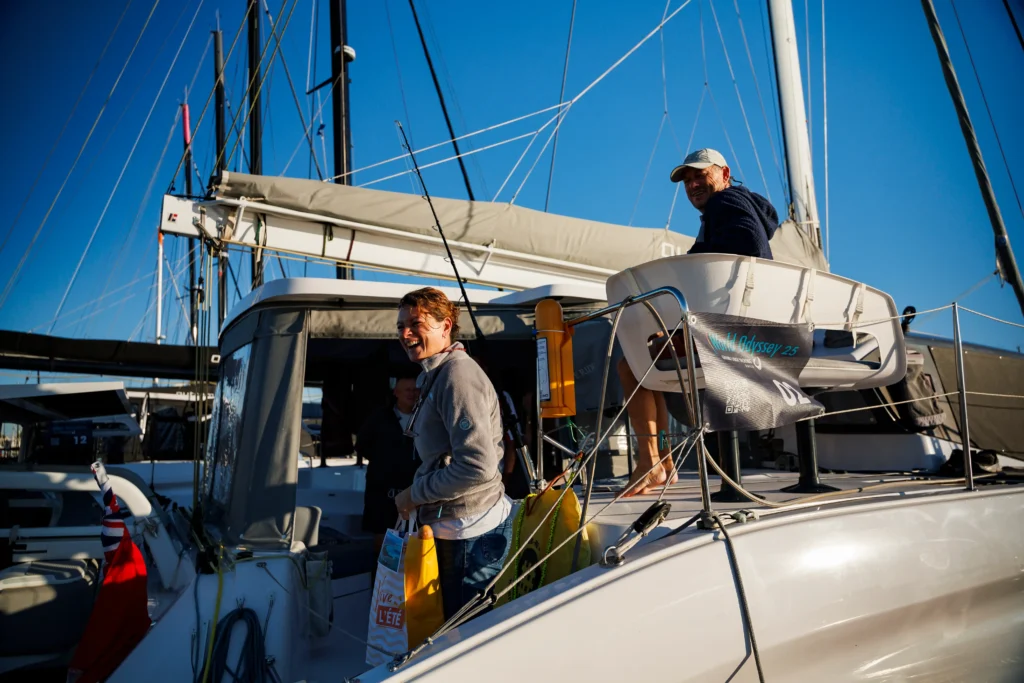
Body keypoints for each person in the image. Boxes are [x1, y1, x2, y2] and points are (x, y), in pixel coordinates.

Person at [620, 148, 779, 495]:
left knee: (631, 364)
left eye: (699, 175)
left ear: (724, 173)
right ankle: (661, 461)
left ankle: (653, 462)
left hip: (732, 335)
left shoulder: (727, 204)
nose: (692, 184)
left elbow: (746, 244)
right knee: (645, 357)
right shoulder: (729, 209)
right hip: (753, 330)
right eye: (687, 180)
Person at [392, 287, 514, 621]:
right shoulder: (433, 374)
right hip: (455, 526)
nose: (405, 333)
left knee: (465, 632)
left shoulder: (457, 375)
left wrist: (414, 495)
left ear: (445, 327)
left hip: (472, 531)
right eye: (401, 326)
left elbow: (477, 467)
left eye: (416, 323)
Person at [358, 374, 421, 555]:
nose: (412, 393)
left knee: (416, 538)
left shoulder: (426, 418)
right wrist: (385, 461)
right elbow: (362, 445)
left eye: (415, 389)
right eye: (407, 390)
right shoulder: (380, 418)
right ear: (396, 393)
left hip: (416, 488)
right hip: (382, 490)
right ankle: (383, 580)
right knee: (384, 539)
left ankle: (409, 580)